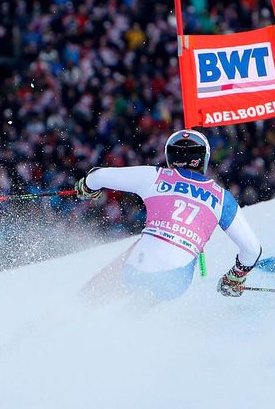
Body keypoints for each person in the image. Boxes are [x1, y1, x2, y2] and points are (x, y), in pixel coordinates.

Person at [76, 129, 263, 301]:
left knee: (138, 250)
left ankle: (83, 304)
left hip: (136, 268)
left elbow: (97, 176)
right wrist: (234, 277)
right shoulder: (222, 198)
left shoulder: (155, 176)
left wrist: (86, 188)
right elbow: (253, 250)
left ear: (169, 156)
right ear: (204, 159)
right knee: (153, 294)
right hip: (176, 281)